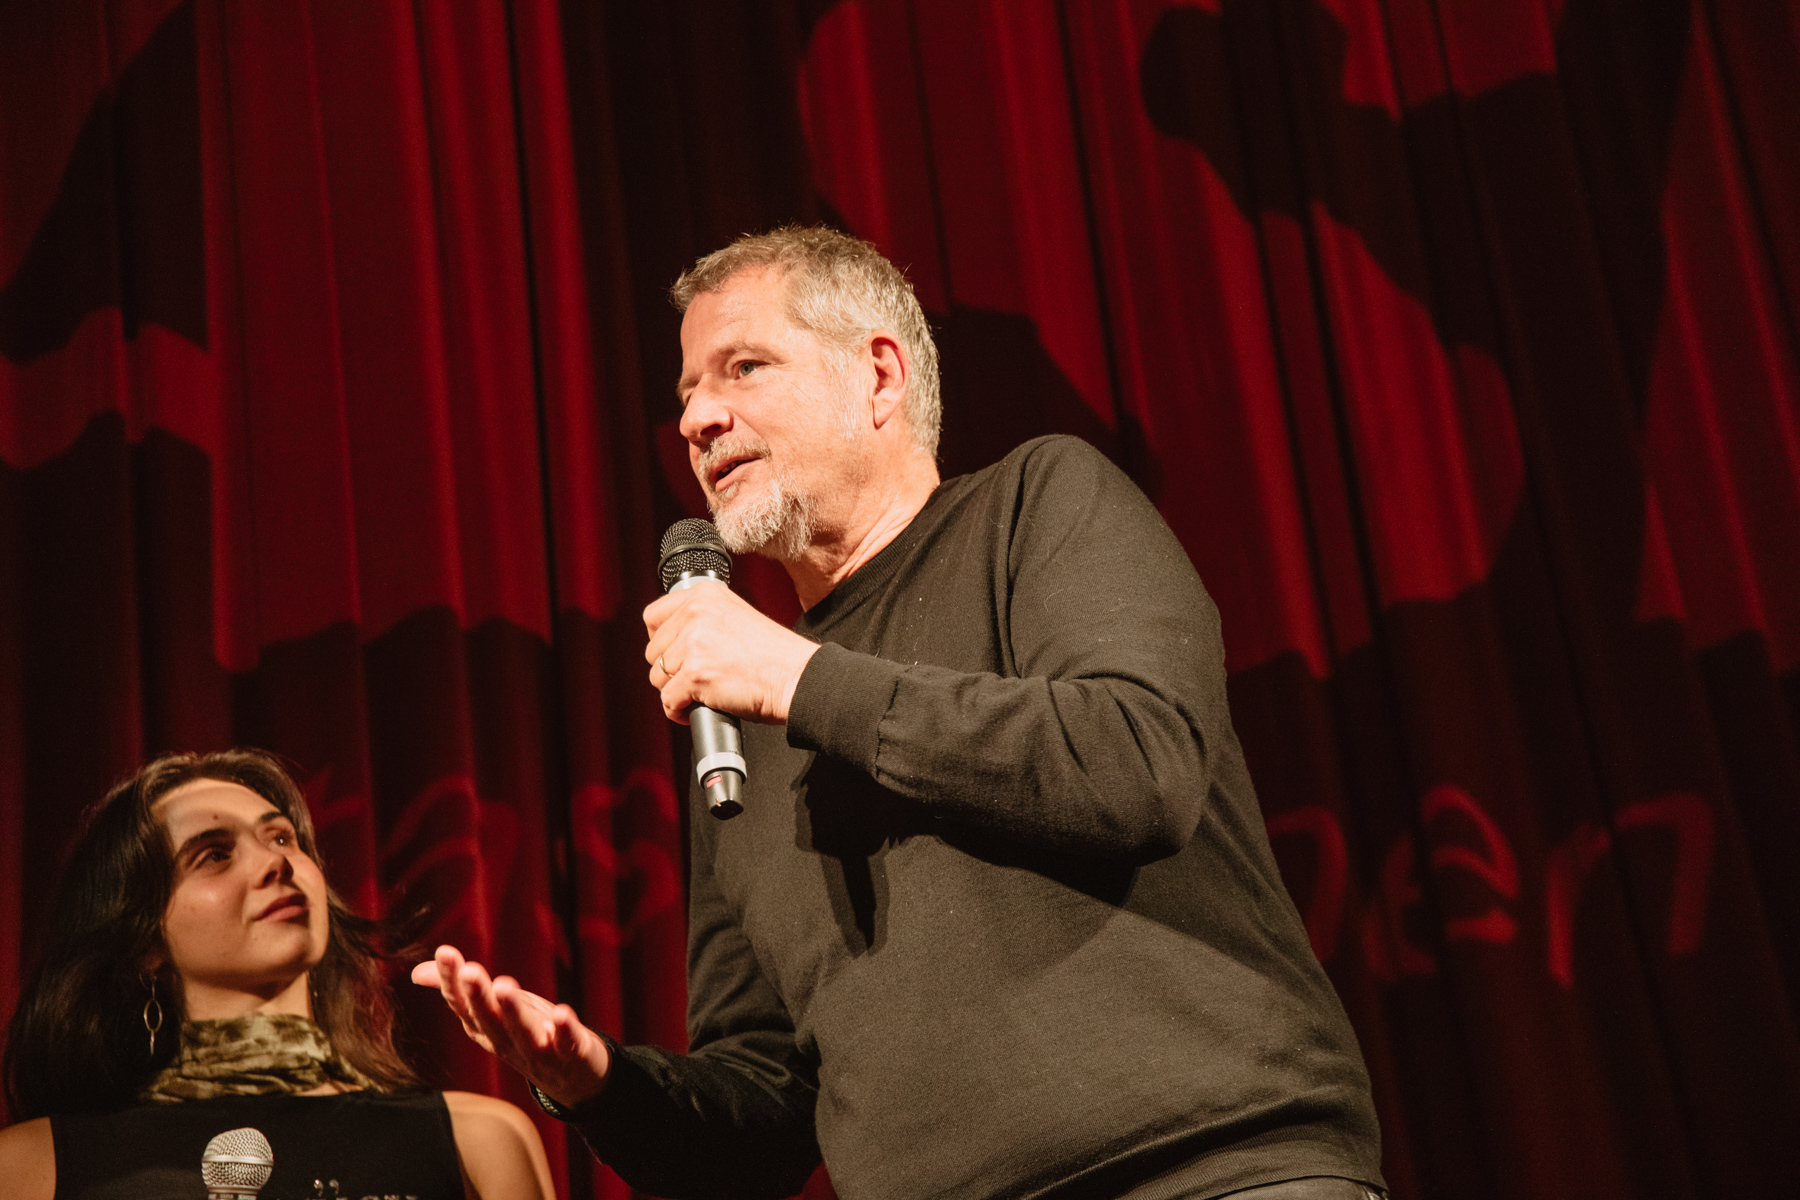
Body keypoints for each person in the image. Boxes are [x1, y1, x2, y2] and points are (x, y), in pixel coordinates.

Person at [414, 225, 1386, 1200]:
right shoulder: (740, 728)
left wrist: (800, 681)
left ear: (879, 376)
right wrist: (600, 1087)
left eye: (743, 368)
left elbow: (1136, 766)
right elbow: (765, 1114)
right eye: (687, 393)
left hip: (1208, 1174)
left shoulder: (1037, 506)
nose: (699, 418)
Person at [0, 749, 555, 1200]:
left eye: (282, 837)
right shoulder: (33, 1166)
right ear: (145, 942)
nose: (276, 863)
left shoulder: (478, 1141)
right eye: (214, 854)